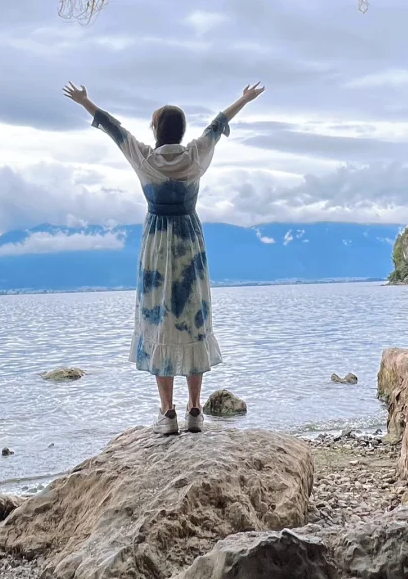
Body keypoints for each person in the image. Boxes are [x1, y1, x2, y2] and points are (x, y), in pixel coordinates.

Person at [62, 81, 265, 436]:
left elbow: (114, 129)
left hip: (156, 243)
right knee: (193, 322)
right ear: (182, 130)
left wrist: (85, 102)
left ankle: (168, 413)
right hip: (189, 241)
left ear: (157, 130)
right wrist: (243, 99)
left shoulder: (145, 159)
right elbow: (217, 125)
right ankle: (195, 411)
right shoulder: (194, 156)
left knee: (159, 322)